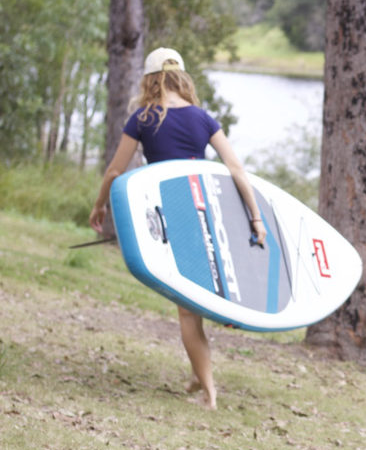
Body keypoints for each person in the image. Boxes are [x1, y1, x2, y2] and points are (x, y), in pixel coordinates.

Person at [90, 47, 266, 410]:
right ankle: (198, 375)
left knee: (187, 309)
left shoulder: (143, 118)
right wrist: (255, 217)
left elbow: (114, 171)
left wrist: (100, 204)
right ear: (182, 77)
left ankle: (210, 393)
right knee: (192, 305)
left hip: (167, 216)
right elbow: (236, 169)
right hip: (204, 213)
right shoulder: (203, 118)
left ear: (150, 80)